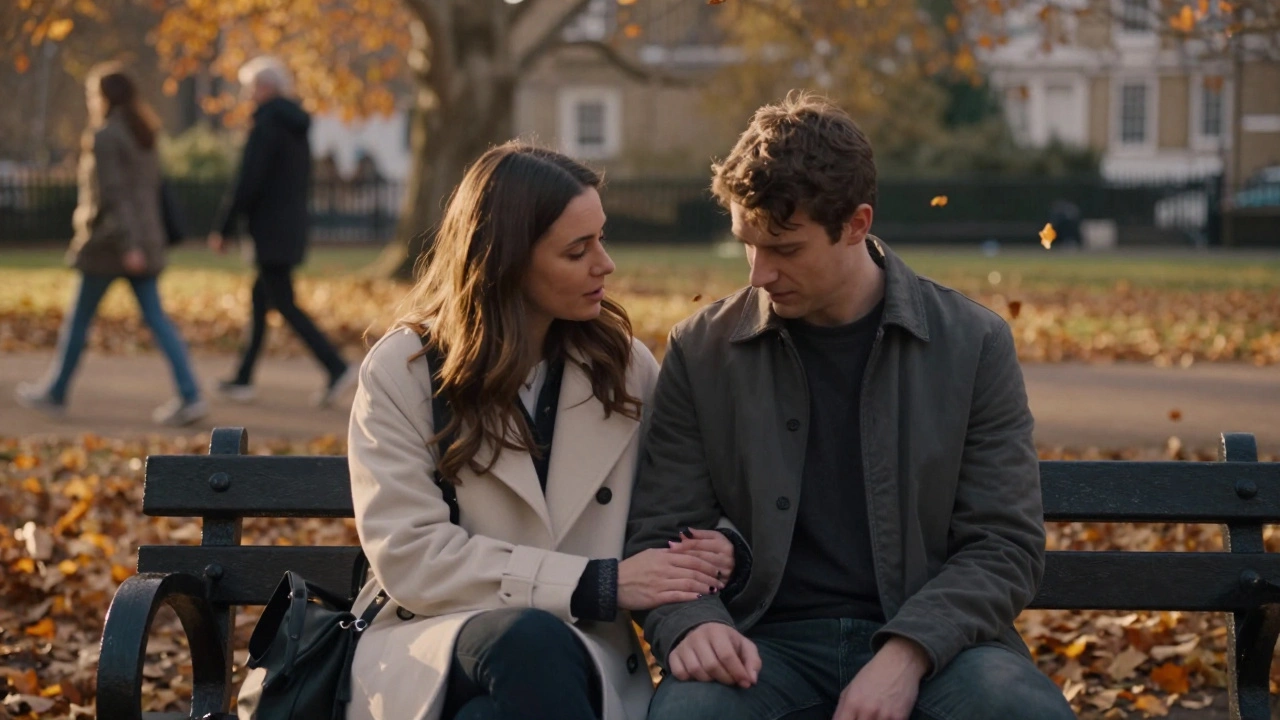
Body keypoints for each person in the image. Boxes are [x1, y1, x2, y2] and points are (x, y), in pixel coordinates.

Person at [625, 91, 1076, 720]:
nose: (758, 274)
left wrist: (906, 653)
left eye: (784, 249)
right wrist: (691, 625)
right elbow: (660, 530)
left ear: (857, 224)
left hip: (939, 645)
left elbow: (1003, 544)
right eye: (746, 244)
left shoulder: (972, 342)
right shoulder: (702, 349)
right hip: (760, 643)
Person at [324, 143, 738, 720]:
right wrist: (598, 584)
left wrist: (715, 542)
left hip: (580, 665)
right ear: (507, 261)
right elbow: (412, 556)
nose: (605, 264)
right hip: (437, 645)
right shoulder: (407, 371)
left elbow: (674, 499)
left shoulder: (622, 368)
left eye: (601, 237)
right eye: (577, 250)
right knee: (529, 640)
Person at [15, 62, 207, 427]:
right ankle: (190, 394)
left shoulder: (106, 136)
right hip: (143, 241)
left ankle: (55, 392)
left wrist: (129, 244)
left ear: (102, 97)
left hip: (112, 246)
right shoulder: (143, 133)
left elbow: (115, 197)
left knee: (80, 321)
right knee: (156, 319)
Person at [208, 56, 354, 407]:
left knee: (284, 304)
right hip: (288, 227)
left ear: (265, 87)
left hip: (270, 229)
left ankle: (336, 366)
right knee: (262, 300)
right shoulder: (296, 126)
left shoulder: (267, 125)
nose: (247, 96)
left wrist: (224, 227)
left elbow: (249, 181)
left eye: (249, 88)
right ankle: (243, 377)